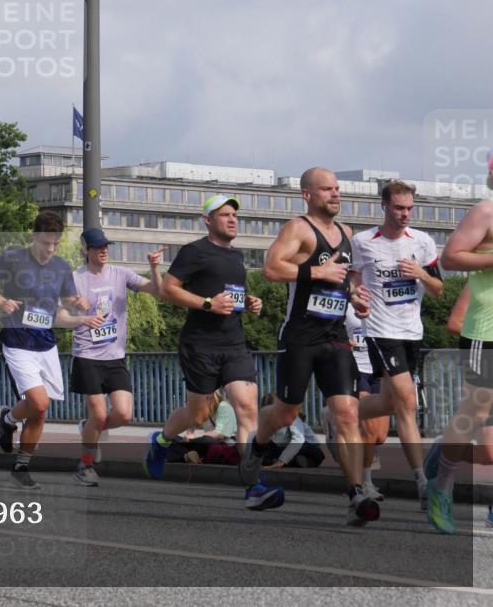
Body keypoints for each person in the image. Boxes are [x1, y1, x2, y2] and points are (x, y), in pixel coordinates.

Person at [238, 167, 377, 525]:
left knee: (347, 413)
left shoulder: (346, 233)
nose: (335, 194)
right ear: (307, 194)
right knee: (286, 412)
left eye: (337, 189)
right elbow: (271, 268)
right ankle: (256, 447)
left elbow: (341, 279)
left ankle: (356, 494)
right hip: (299, 337)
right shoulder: (298, 229)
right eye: (327, 189)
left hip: (335, 337)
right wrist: (317, 272)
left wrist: (354, 296)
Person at [144, 195, 281, 511]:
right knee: (198, 415)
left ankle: (253, 485)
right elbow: (168, 290)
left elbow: (229, 295)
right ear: (208, 220)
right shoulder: (194, 251)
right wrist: (206, 304)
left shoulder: (237, 258)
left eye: (235, 215)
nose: (232, 220)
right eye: (225, 215)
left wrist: (248, 302)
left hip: (233, 344)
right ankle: (161, 441)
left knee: (248, 409)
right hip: (200, 346)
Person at [0, 210, 90, 489]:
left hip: (45, 343)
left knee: (40, 412)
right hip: (17, 341)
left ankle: (21, 466)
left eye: (55, 244)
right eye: (45, 243)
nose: (50, 249)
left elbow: (64, 305)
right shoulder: (13, 257)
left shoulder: (61, 267)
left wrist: (80, 306)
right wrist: (1, 300)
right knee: (39, 402)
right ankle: (9, 418)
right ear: (34, 237)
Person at [349, 180, 442, 509]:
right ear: (384, 206)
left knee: (389, 403)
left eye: (410, 209)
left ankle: (341, 413)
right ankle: (422, 483)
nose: (405, 214)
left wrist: (420, 273)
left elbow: (438, 289)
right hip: (379, 330)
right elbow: (354, 280)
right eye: (399, 208)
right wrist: (355, 295)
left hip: (411, 332)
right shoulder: (363, 241)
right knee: (407, 403)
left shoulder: (423, 241)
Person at [427, 157, 493, 533]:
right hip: (486, 328)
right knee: (472, 414)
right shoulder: (485, 212)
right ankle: (442, 485)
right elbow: (451, 256)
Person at [69, 227, 162, 486]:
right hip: (87, 354)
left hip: (115, 357)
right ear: (85, 250)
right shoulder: (76, 278)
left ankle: (90, 430)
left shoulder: (121, 274)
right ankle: (85, 465)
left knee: (123, 414)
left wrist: (154, 267)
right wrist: (78, 312)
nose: (104, 250)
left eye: (106, 246)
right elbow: (57, 309)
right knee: (99, 415)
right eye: (98, 247)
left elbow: (156, 290)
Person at [342, 303, 388, 502]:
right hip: (357, 367)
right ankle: (366, 483)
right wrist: (343, 342)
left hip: (379, 368)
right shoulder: (345, 302)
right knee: (369, 429)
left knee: (380, 436)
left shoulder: (380, 299)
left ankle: (334, 417)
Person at [258, 394, 326, 469]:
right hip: (285, 448)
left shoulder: (290, 417)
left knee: (314, 454)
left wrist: (281, 461)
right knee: (263, 455)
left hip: (307, 447)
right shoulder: (267, 421)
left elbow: (298, 440)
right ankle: (294, 461)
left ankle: (299, 461)